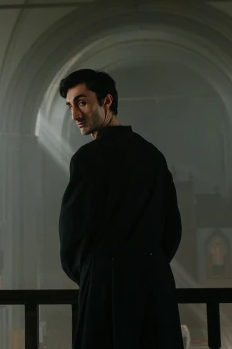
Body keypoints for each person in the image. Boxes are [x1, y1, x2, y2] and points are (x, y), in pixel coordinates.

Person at [58, 69, 183, 349]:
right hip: (154, 283)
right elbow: (172, 229)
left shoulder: (86, 159)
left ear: (107, 101)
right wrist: (149, 262)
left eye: (82, 102)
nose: (75, 115)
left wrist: (95, 274)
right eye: (70, 106)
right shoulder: (152, 155)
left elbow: (72, 236)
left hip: (106, 286)